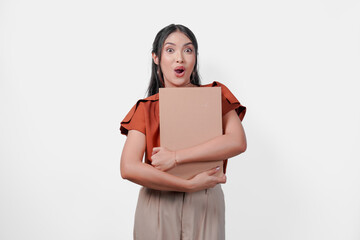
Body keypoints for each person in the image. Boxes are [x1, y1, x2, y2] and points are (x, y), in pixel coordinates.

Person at [119, 24, 247, 240]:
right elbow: (128, 167)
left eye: (188, 50)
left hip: (205, 201)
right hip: (158, 203)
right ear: (156, 57)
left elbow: (237, 141)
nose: (180, 58)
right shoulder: (146, 107)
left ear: (195, 57)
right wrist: (186, 185)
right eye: (170, 50)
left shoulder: (215, 96)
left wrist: (176, 158)